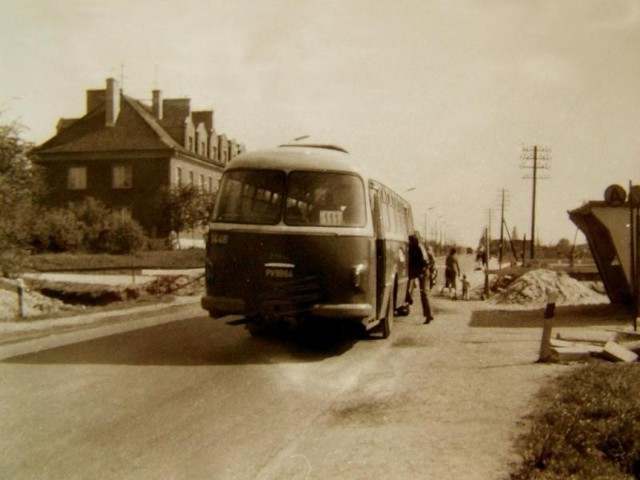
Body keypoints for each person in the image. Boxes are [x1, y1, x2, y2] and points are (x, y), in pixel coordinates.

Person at [406, 234, 434, 323]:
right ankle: (408, 298)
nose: (409, 243)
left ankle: (429, 315)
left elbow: (424, 261)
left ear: (413, 241)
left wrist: (421, 271)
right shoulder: (418, 247)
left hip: (421, 271)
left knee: (424, 293)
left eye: (410, 241)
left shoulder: (418, 248)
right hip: (419, 270)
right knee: (406, 283)